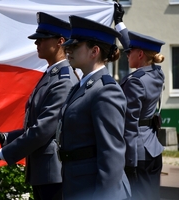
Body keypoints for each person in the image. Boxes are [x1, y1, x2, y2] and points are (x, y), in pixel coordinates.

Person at [0, 12, 79, 200]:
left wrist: (1, 154)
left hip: (54, 175)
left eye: (42, 39)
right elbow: (34, 126)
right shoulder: (52, 75)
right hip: (45, 173)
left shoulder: (64, 81)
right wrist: (4, 136)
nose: (36, 43)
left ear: (60, 42)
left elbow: (43, 130)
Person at [56, 15, 131, 200]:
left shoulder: (106, 92)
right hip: (78, 185)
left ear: (94, 51)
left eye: (75, 46)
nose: (68, 50)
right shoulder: (80, 87)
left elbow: (111, 156)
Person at [114, 3, 165, 200]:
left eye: (130, 52)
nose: (126, 54)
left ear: (141, 54)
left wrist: (129, 163)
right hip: (152, 148)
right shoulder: (156, 73)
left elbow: (130, 123)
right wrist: (119, 24)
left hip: (137, 155)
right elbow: (134, 45)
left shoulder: (136, 82)